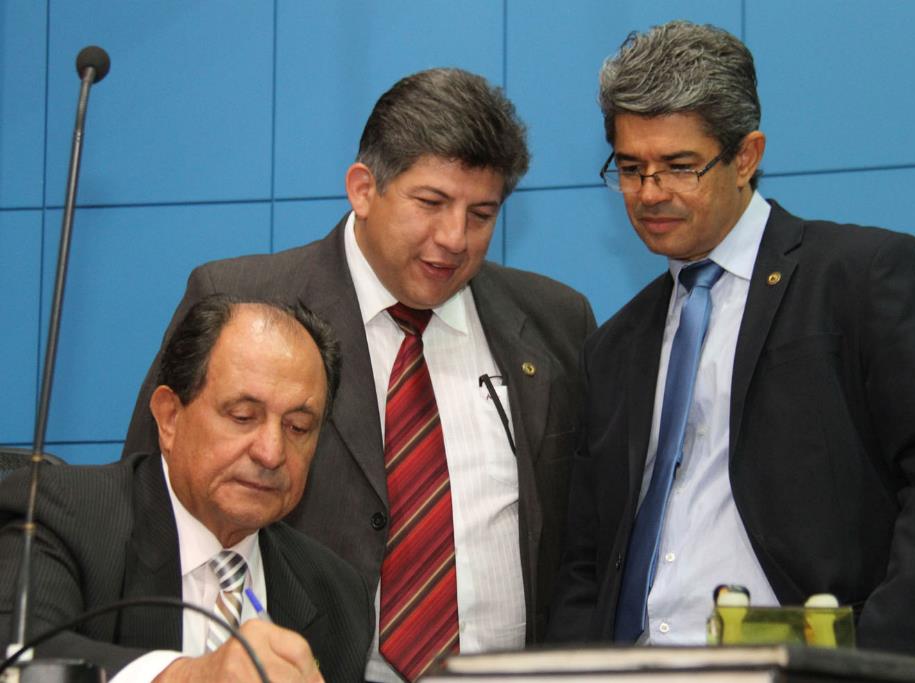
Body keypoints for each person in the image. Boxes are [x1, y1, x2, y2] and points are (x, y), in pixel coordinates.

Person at [547, 20, 915, 658]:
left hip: (815, 664)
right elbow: (586, 559)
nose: (650, 194)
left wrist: (867, 659)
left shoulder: (861, 276)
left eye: (679, 167)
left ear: (746, 156)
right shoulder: (615, 344)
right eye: (630, 168)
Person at [123, 67, 596, 681]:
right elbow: (146, 508)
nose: (455, 238)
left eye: (481, 214)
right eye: (431, 203)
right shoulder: (242, 301)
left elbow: (584, 542)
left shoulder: (556, 321)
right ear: (364, 189)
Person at [0, 295, 372, 681]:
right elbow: (18, 654)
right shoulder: (61, 516)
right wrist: (187, 677)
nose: (271, 453)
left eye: (297, 427)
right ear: (170, 418)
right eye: (243, 416)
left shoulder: (338, 596)